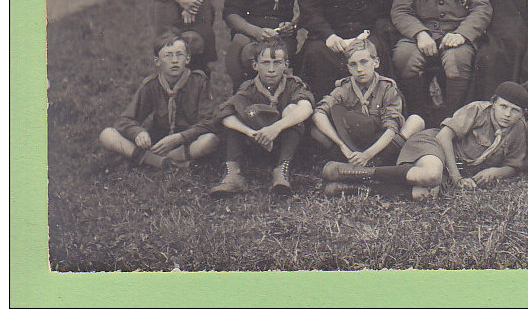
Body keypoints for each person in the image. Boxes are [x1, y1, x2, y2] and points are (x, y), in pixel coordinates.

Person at [321, 81, 528, 200]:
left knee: (423, 194)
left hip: (453, 168)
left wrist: (495, 171)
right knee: (431, 174)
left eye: (515, 111)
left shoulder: (518, 128)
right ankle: (356, 172)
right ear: (493, 103)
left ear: (522, 114)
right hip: (433, 146)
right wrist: (455, 177)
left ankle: (349, 188)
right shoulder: (479, 110)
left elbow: (513, 165)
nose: (507, 114)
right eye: (503, 107)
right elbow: (444, 135)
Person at [310, 39, 426, 195]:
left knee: (416, 121)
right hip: (351, 148)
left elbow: (392, 128)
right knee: (316, 131)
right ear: (348, 68)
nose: (360, 69)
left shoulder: (387, 88)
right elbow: (319, 112)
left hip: (381, 145)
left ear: (376, 62)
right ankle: (362, 169)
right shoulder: (344, 88)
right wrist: (342, 146)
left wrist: (368, 155)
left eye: (364, 62)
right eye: (353, 64)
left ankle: (363, 170)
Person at [210, 38, 315, 196]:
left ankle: (281, 171)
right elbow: (225, 112)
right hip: (256, 142)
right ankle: (234, 174)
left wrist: (276, 128)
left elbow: (306, 108)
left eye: (277, 63)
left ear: (286, 65)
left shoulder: (293, 85)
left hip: (284, 144)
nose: (271, 69)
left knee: (294, 115)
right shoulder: (248, 88)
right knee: (235, 120)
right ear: (255, 65)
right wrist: (249, 132)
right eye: (265, 63)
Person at [99, 32, 220, 169]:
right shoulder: (151, 85)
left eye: (179, 54)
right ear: (157, 61)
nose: (174, 60)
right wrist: (139, 132)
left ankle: (167, 160)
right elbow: (124, 120)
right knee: (107, 135)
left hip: (187, 142)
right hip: (158, 143)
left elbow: (209, 122)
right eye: (168, 55)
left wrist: (180, 138)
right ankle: (160, 162)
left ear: (187, 59)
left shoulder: (199, 82)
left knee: (211, 140)